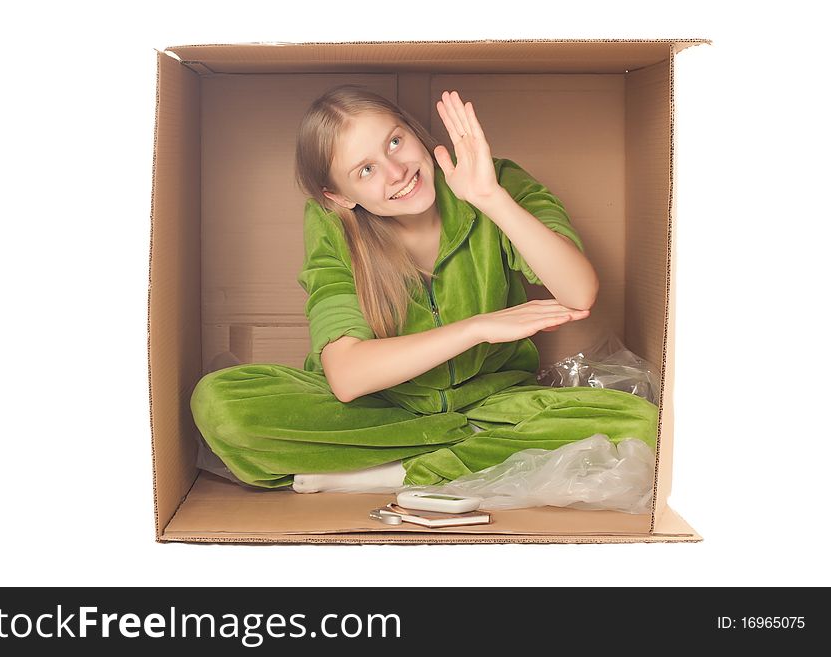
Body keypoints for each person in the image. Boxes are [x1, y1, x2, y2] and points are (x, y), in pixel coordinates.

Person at [189, 85, 659, 493]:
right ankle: (460, 461)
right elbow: (348, 377)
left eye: (395, 141)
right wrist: (474, 329)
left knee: (643, 424)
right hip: (381, 412)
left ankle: (392, 473)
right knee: (222, 407)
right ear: (340, 197)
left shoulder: (494, 181)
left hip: (493, 404)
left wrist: (490, 199)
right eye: (365, 170)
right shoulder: (333, 225)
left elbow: (578, 293)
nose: (397, 171)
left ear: (413, 130)